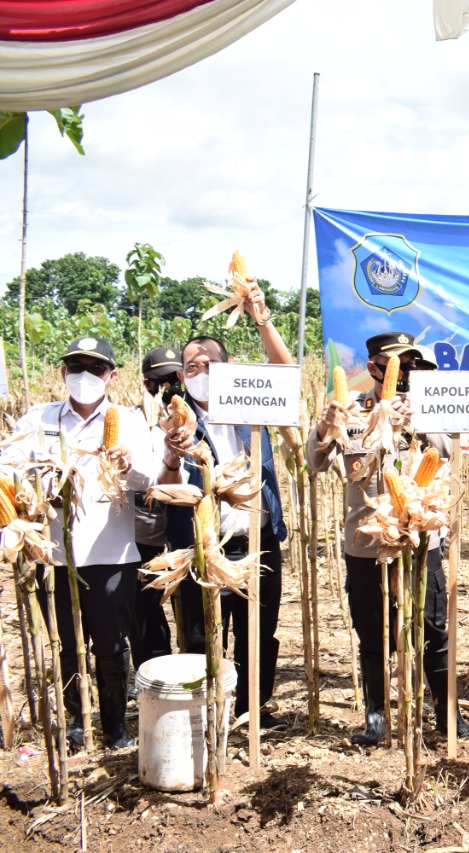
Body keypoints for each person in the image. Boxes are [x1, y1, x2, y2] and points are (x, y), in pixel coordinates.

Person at [309, 331, 469, 745]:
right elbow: (315, 462)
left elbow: (449, 451)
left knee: (433, 629)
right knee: (373, 633)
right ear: (374, 368)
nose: (405, 373)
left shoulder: (426, 407)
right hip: (367, 544)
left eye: (412, 365)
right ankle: (377, 717)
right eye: (397, 365)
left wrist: (416, 420)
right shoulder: (351, 411)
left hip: (420, 542)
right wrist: (325, 426)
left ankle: (448, 714)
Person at [6, 338, 162, 748]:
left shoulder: (128, 420)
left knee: (111, 645)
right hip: (53, 554)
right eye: (75, 367)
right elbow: (9, 468)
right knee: (66, 645)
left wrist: (126, 465)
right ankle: (77, 720)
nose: (84, 375)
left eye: (95, 368)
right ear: (63, 373)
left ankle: (114, 725)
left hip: (111, 554)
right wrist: (39, 483)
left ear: (112, 376)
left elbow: (149, 480)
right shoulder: (39, 418)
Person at [164, 288, 293, 730]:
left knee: (258, 631)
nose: (200, 372)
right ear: (182, 375)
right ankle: (207, 714)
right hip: (204, 547)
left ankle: (252, 711)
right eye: (192, 367)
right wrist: (172, 453)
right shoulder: (174, 422)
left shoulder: (251, 406)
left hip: (257, 541)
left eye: (209, 365)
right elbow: (164, 484)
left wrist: (261, 317)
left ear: (229, 368)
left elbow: (286, 373)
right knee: (203, 634)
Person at [131, 346, 184, 672]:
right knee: (146, 601)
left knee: (188, 601)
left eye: (172, 380)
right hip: (146, 524)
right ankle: (153, 667)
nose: (168, 389)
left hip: (186, 521)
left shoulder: (193, 419)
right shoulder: (133, 421)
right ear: (146, 383)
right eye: (159, 382)